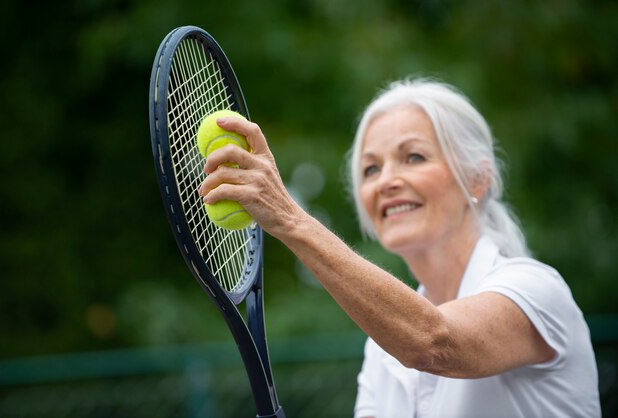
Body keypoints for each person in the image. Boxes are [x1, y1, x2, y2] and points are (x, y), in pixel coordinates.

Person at [199, 78, 601, 417]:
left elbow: (434, 341)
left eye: (413, 156)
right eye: (371, 168)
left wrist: (289, 219)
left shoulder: (536, 290)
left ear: (477, 180)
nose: (387, 180)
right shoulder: (382, 350)